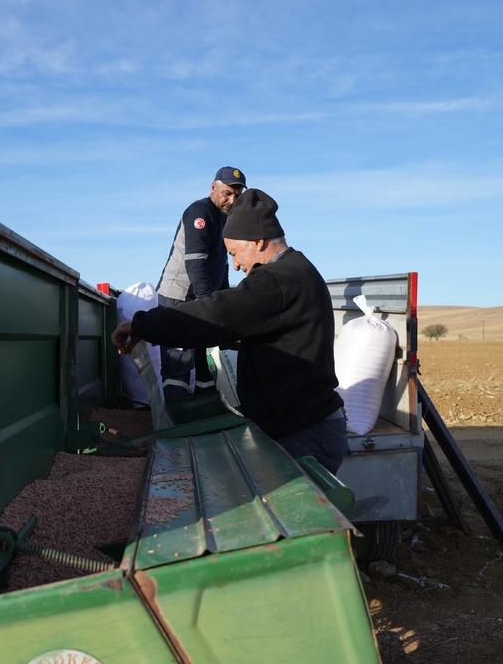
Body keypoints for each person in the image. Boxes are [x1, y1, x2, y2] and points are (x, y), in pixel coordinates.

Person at [113, 188, 347, 473]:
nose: (236, 265)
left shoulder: (277, 281)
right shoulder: (297, 270)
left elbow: (214, 314)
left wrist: (143, 325)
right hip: (303, 425)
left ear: (258, 241)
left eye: (235, 253)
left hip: (305, 435)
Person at [154, 166, 246, 401]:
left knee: (207, 359)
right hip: (180, 297)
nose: (231, 199)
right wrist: (209, 305)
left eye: (237, 194)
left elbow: (221, 264)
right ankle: (178, 418)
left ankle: (206, 410)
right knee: (179, 360)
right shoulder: (200, 212)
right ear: (213, 187)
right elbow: (195, 264)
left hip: (203, 296)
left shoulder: (226, 219)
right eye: (227, 192)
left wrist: (224, 301)